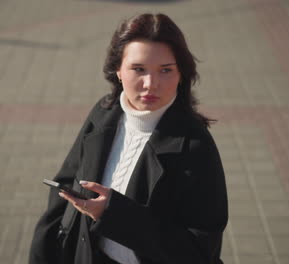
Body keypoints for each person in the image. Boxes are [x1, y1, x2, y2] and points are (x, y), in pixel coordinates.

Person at [29, 13, 228, 264]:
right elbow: (63, 194)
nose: (150, 84)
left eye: (165, 70)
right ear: (118, 71)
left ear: (181, 75)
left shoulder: (195, 146)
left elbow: (198, 251)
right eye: (138, 69)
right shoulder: (103, 114)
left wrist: (114, 214)